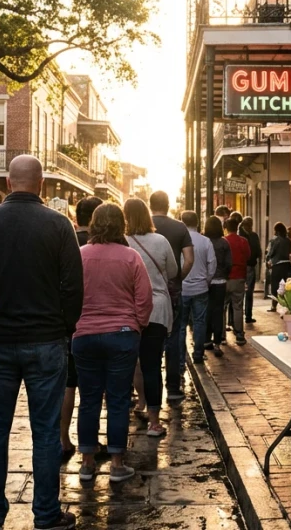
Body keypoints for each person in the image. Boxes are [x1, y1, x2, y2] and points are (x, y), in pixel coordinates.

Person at [0, 155, 83, 530]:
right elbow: (74, 287)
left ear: (8, 182)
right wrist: (63, 327)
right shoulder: (59, 225)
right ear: (41, 185)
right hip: (46, 340)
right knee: (46, 430)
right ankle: (46, 513)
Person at [74, 204, 153, 483]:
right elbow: (144, 299)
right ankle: (117, 463)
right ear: (121, 225)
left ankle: (87, 463)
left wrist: (75, 324)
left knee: (89, 399)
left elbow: (67, 294)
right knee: (118, 400)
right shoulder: (131, 257)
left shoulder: (79, 255)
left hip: (84, 335)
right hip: (122, 335)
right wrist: (137, 326)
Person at [123, 199, 177, 437]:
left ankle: (135, 404)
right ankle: (154, 422)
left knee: (131, 363)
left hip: (130, 310)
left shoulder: (121, 243)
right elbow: (174, 272)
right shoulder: (161, 241)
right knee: (152, 364)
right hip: (157, 309)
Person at [63, 195, 102, 454]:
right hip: (94, 322)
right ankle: (90, 442)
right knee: (92, 387)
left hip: (67, 323)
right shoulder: (102, 244)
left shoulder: (66, 241)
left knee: (67, 383)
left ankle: (62, 439)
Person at [149, 191, 194, 404]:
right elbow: (189, 259)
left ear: (150, 205)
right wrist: (177, 279)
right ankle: (173, 386)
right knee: (174, 336)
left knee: (146, 339)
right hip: (173, 292)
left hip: (144, 291)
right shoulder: (179, 227)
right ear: (168, 205)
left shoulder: (140, 226)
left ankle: (147, 389)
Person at [179, 211, 216, 365]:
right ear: (197, 223)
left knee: (180, 325)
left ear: (182, 222)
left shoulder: (179, 240)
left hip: (182, 288)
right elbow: (212, 264)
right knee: (200, 322)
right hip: (201, 287)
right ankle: (198, 355)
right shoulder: (205, 241)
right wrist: (206, 280)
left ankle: (181, 358)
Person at [204, 217, 231, 357]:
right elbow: (228, 263)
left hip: (206, 282)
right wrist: (224, 275)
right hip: (220, 282)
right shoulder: (224, 242)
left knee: (206, 310)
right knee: (218, 311)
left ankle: (206, 340)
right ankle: (217, 342)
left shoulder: (204, 241)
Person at [223, 218, 252, 346]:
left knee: (222, 308)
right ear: (237, 227)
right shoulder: (243, 241)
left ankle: (222, 336)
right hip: (239, 276)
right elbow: (248, 256)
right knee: (238, 306)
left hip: (225, 277)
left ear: (226, 228)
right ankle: (239, 334)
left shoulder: (224, 241)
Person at [266, 223, 291, 312]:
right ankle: (286, 304)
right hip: (287, 265)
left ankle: (274, 305)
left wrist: (268, 260)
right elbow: (290, 251)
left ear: (277, 231)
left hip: (277, 265)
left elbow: (270, 253)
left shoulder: (274, 240)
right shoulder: (288, 240)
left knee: (275, 286)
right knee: (286, 286)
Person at [241, 217, 264, 324]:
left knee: (244, 293)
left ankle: (244, 316)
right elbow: (258, 251)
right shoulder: (252, 236)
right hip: (249, 266)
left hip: (244, 266)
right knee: (248, 292)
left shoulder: (242, 235)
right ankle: (247, 315)